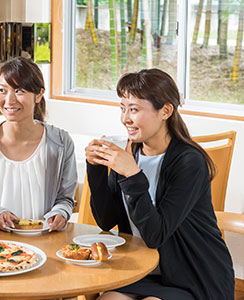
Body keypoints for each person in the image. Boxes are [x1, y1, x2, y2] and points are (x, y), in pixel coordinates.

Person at [85, 69, 234, 300]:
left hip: (191, 276)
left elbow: (156, 235)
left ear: (165, 111)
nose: (125, 118)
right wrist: (95, 167)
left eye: (134, 109)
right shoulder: (129, 152)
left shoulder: (189, 162)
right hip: (141, 272)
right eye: (122, 108)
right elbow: (107, 220)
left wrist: (131, 174)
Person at [0, 57, 77, 232]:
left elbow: (66, 198)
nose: (9, 100)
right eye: (2, 90)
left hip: (45, 239)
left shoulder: (61, 142)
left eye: (19, 91)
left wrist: (61, 211)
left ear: (38, 95)